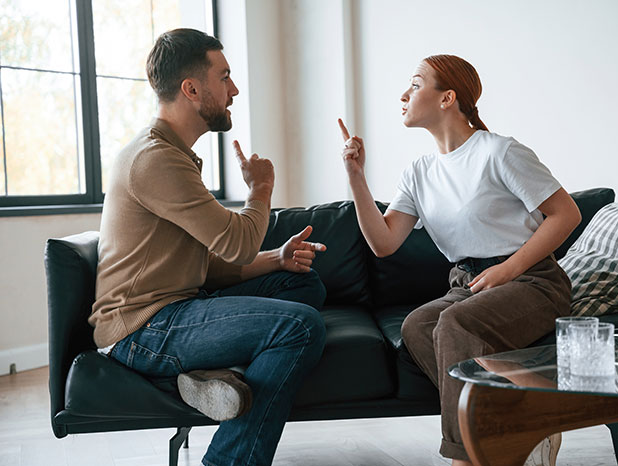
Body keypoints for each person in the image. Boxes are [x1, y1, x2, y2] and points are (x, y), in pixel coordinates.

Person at [89, 28, 327, 466]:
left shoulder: (173, 154)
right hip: (140, 329)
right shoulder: (155, 160)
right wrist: (261, 189)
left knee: (304, 287)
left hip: (177, 308)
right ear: (191, 89)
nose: (234, 89)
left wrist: (278, 258)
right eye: (225, 77)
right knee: (301, 326)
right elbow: (236, 243)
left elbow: (207, 266)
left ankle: (212, 377)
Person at [337, 54, 581, 466]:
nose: (403, 94)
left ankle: (465, 457)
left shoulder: (500, 152)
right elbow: (383, 243)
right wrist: (356, 176)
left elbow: (566, 214)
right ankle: (518, 424)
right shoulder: (418, 172)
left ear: (447, 97)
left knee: (455, 322)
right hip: (467, 285)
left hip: (533, 282)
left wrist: (508, 269)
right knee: (419, 325)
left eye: (414, 85)